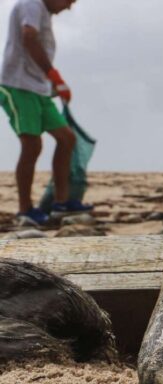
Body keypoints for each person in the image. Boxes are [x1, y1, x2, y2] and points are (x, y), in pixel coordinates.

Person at [0, 0, 92, 226]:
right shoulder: (31, 4)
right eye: (69, 1)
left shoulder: (44, 12)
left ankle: (61, 203)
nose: (69, 7)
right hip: (17, 85)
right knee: (32, 145)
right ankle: (25, 210)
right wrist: (53, 75)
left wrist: (52, 84)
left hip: (38, 87)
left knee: (67, 138)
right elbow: (29, 37)